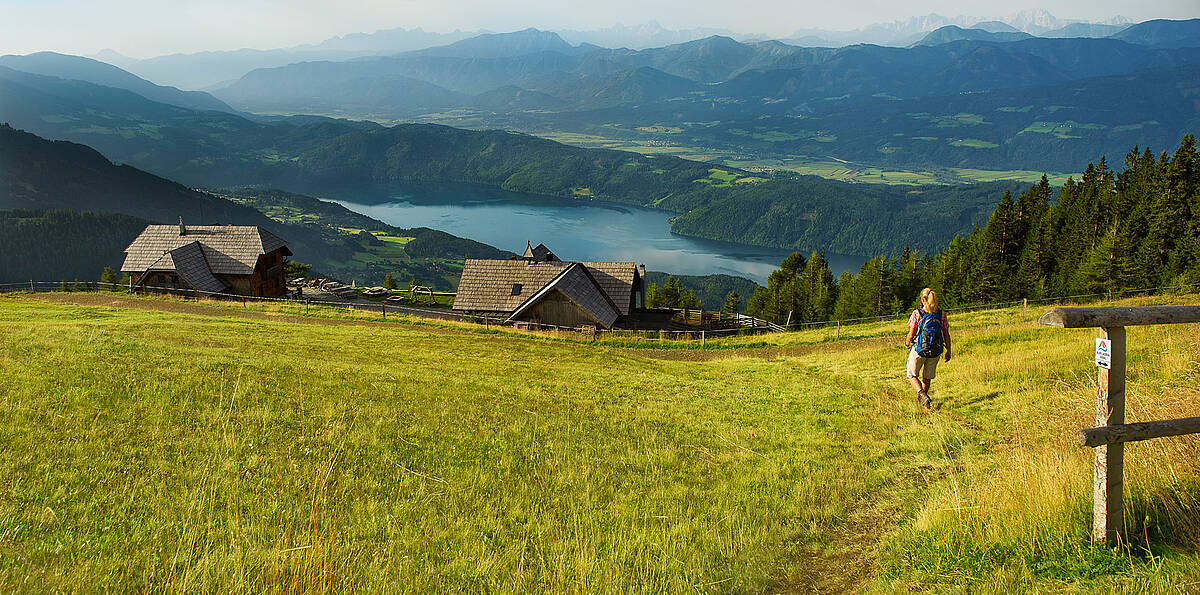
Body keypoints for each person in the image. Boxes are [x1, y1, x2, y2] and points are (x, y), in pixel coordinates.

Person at [904, 288, 951, 409]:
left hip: (919, 349)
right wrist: (948, 350)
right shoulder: (941, 314)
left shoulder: (917, 313)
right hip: (936, 350)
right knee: (927, 377)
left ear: (923, 299)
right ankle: (925, 402)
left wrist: (907, 343)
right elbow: (946, 334)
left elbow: (911, 333)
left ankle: (921, 394)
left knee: (911, 374)